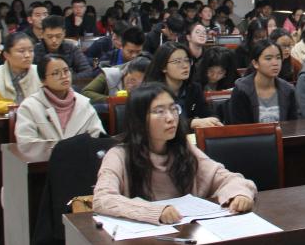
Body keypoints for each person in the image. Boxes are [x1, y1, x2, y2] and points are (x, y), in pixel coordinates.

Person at [92, 83, 255, 224]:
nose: (171, 118)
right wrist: (155, 211)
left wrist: (239, 195)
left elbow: (226, 177)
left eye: (173, 109)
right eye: (159, 111)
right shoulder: (119, 155)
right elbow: (103, 199)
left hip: (185, 231)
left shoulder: (183, 148)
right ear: (139, 119)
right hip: (140, 240)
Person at [15, 55, 104, 144]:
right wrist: (59, 148)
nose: (64, 76)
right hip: (45, 153)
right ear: (43, 80)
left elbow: (98, 136)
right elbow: (26, 143)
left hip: (82, 153)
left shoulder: (83, 103)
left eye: (66, 70)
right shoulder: (29, 106)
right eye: (56, 73)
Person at [144, 42, 222, 130]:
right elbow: (159, 124)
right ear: (163, 67)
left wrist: (214, 120)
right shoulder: (152, 93)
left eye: (187, 60)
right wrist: (192, 123)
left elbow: (207, 113)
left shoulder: (193, 88)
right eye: (177, 61)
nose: (185, 66)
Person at [229, 40, 298, 124]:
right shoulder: (241, 91)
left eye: (278, 58)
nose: (275, 63)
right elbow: (239, 127)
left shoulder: (288, 90)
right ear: (255, 63)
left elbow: (292, 125)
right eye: (268, 58)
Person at [0, 32, 42, 114]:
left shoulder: (40, 71)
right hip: (7, 119)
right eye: (21, 51)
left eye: (31, 50)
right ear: (6, 55)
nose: (27, 55)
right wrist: (14, 107)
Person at [83, 55, 151, 103]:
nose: (133, 85)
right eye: (132, 80)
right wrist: (113, 100)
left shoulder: (152, 83)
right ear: (126, 72)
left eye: (140, 83)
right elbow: (86, 92)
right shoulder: (110, 74)